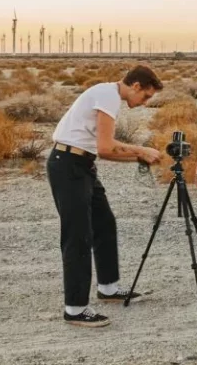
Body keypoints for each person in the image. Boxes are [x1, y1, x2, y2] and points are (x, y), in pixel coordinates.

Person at [47, 64, 164, 327]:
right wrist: (140, 150)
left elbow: (104, 151)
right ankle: (75, 309)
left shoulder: (109, 95)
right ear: (136, 86)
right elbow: (106, 147)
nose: (144, 102)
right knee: (78, 235)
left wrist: (140, 156)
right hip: (67, 165)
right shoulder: (108, 95)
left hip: (83, 164)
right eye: (145, 96)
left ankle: (108, 288)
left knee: (104, 224)